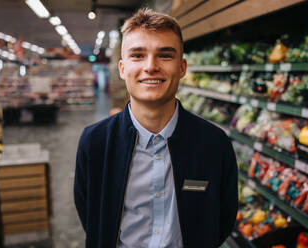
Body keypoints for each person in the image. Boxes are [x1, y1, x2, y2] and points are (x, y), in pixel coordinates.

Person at [74, 8, 238, 248]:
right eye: (138, 55)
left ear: (182, 68)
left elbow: (222, 220)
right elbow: (92, 218)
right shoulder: (95, 142)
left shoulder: (214, 144)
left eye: (165, 55)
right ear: (122, 69)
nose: (150, 66)